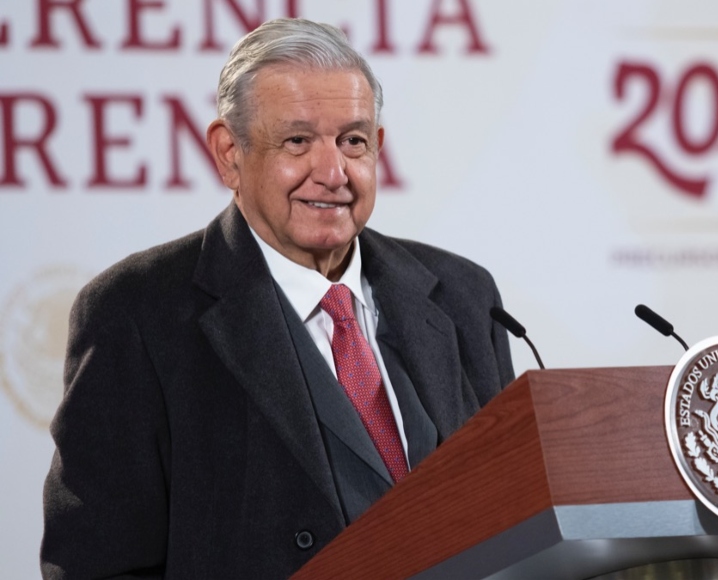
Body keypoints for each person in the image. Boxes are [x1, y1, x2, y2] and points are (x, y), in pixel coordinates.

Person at [41, 18, 514, 579]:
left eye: (353, 141)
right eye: (297, 141)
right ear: (228, 154)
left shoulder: (463, 294)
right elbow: (95, 567)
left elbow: (517, 510)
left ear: (378, 149)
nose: (333, 172)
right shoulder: (136, 313)